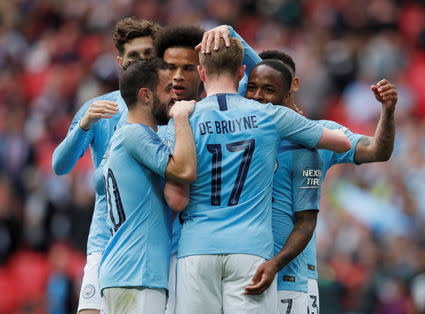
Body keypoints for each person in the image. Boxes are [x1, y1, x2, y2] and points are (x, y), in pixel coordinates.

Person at [173, 37, 351, 314]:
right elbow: (343, 144)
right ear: (243, 73)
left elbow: (174, 196)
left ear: (201, 73)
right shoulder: (269, 115)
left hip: (197, 246)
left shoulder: (184, 118)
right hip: (251, 249)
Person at [245, 55, 398, 313]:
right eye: (253, 85)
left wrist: (388, 111)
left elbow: (377, 151)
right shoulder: (240, 132)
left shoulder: (321, 134)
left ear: (291, 86)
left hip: (294, 281)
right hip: (243, 272)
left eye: (270, 86)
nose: (259, 95)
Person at [51, 17, 160, 314]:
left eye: (148, 55)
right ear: (120, 61)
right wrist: (83, 126)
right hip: (105, 238)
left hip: (154, 243)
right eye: (133, 56)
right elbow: (60, 166)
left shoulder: (169, 109)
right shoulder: (99, 108)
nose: (140, 62)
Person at [154, 23, 264, 314]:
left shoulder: (230, 104)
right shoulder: (142, 118)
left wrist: (231, 34)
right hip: (158, 259)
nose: (178, 76)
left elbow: (265, 75)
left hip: (194, 251)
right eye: (170, 67)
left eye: (188, 68)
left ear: (202, 70)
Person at [99, 58, 197, 314]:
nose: (173, 97)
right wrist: (181, 119)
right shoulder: (136, 135)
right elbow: (185, 170)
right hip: (137, 274)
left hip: (125, 273)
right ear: (145, 95)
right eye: (167, 89)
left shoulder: (124, 137)